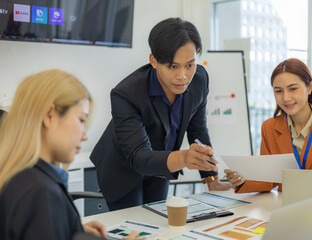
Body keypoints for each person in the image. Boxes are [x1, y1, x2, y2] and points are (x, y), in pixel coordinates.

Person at [90, 17, 231, 211]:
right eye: (173, 66)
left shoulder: (199, 80)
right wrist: (183, 158)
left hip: (163, 165)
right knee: (135, 228)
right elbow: (139, 157)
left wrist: (210, 178)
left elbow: (197, 130)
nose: (183, 76)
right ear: (154, 61)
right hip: (123, 168)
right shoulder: (126, 94)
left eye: (189, 65)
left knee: (159, 222)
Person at [0, 70, 137, 240]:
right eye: (81, 120)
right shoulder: (40, 191)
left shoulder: (19, 176)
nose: (84, 135)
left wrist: (69, 228)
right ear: (49, 115)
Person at [226, 58, 312, 193]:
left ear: (309, 87)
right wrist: (242, 180)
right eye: (278, 91)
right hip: (285, 207)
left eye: (293, 89)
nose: (285, 98)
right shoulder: (269, 128)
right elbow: (267, 180)